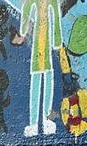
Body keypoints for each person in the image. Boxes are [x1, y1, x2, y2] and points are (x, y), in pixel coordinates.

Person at [20, 0, 62, 137]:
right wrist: (23, 30)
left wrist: (57, 40)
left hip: (47, 45)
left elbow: (56, 17)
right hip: (38, 43)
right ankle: (33, 122)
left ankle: (46, 119)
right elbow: (26, 8)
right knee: (37, 79)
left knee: (47, 78)